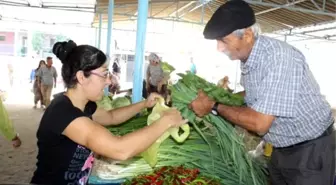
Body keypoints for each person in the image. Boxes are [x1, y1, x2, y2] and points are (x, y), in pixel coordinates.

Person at [189, 1, 335, 185]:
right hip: (281, 147)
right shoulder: (249, 57)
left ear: (248, 35)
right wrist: (218, 96)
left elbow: (259, 124)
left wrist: (213, 106)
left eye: (223, 40)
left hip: (310, 150)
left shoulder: (279, 58)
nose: (219, 48)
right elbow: (254, 94)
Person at [30, 40, 187, 185]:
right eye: (104, 74)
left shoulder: (84, 105)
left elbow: (111, 117)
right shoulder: (64, 114)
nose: (109, 81)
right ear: (81, 77)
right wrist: (165, 122)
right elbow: (120, 149)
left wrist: (144, 104)